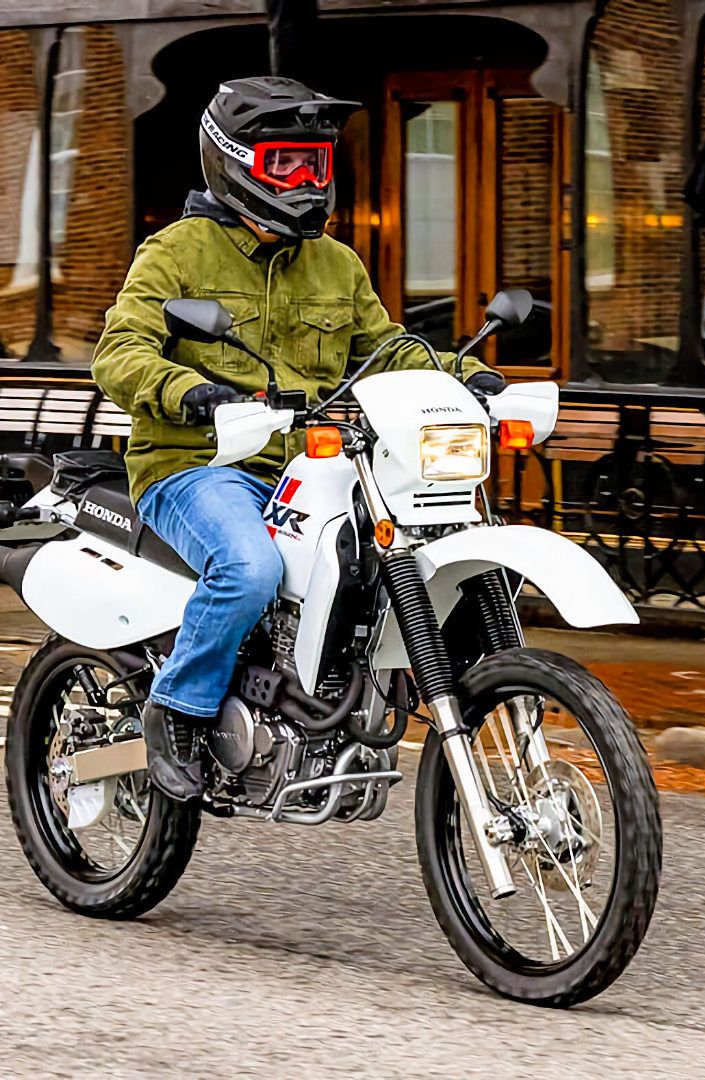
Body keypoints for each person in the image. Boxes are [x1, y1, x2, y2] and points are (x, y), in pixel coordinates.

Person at [92, 77, 507, 801]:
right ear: (232, 160)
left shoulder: (337, 264)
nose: (309, 182)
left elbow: (389, 349)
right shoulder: (177, 252)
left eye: (317, 165)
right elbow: (119, 351)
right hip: (198, 466)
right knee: (249, 567)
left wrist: (468, 373)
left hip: (312, 468)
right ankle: (179, 711)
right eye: (288, 165)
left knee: (404, 549)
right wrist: (189, 393)